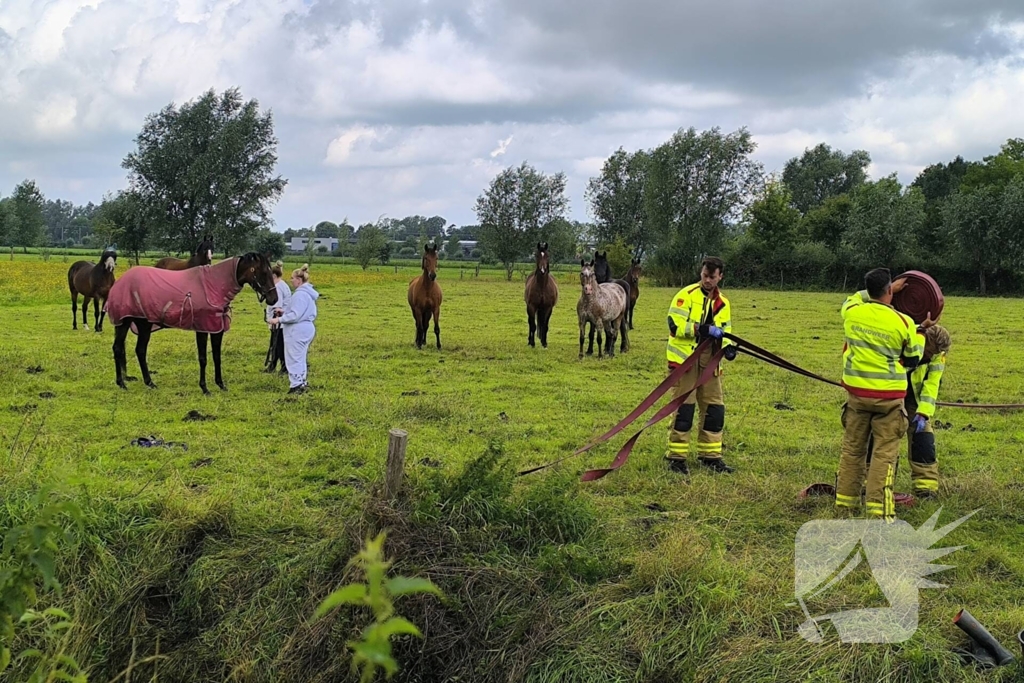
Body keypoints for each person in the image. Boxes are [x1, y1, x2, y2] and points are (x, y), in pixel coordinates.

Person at [835, 268, 933, 521]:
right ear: (890, 291)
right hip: (889, 400)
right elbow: (912, 359)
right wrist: (922, 331)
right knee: (883, 456)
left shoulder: (852, 312)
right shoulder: (903, 322)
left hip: (856, 396)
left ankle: (845, 506)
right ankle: (879, 512)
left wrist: (873, 291)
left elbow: (852, 298)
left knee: (853, 451)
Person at [664, 256, 738, 475]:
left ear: (720, 277)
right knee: (684, 409)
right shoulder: (684, 296)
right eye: (705, 275)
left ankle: (711, 456)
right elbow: (674, 326)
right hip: (685, 359)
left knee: (714, 409)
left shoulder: (723, 303)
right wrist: (700, 329)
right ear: (701, 273)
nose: (707, 280)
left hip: (711, 360)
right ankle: (676, 458)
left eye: (712, 277)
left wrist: (729, 346)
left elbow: (726, 329)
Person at [902, 321, 952, 497]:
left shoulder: (938, 355)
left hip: (915, 400)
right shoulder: (905, 339)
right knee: (883, 439)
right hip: (891, 395)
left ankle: (926, 488)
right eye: (929, 352)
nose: (931, 357)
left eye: (936, 354)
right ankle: (872, 485)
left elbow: (932, 383)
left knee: (923, 440)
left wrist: (923, 412)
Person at [269, 263, 319, 394]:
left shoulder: (299, 295)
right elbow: (299, 311)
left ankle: (296, 385)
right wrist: (284, 311)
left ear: (299, 279)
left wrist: (278, 319)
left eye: (292, 278)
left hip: (297, 330)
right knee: (300, 357)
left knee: (294, 358)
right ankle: (302, 381)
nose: (291, 280)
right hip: (306, 327)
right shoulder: (307, 294)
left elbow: (295, 315)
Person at [264, 261, 292, 375]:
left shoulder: (278, 287)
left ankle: (284, 367)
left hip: (279, 321)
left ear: (274, 276)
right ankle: (273, 365)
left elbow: (277, 305)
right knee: (275, 344)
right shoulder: (282, 284)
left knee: (278, 345)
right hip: (280, 321)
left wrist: (274, 319)